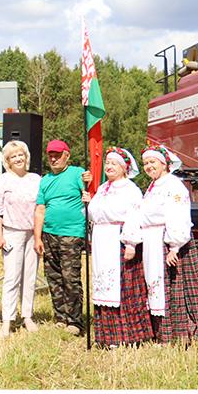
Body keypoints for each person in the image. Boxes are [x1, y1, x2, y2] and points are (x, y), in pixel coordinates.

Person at [124, 145, 198, 345]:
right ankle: (163, 334)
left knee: (173, 289)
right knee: (156, 288)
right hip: (152, 241)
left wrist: (174, 246)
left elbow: (178, 214)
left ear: (164, 163)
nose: (149, 167)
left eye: (152, 162)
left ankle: (183, 334)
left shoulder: (173, 186)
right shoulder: (153, 187)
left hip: (167, 241)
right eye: (146, 163)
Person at [83, 147, 152, 348]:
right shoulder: (104, 187)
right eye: (108, 163)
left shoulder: (130, 189)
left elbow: (134, 215)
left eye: (114, 163)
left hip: (118, 240)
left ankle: (128, 336)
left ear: (124, 168)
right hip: (101, 241)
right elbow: (95, 214)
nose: (109, 167)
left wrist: (131, 243)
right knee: (103, 286)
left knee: (122, 287)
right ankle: (107, 336)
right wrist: (87, 204)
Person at [33, 139, 90, 337]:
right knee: (54, 277)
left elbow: (89, 189)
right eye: (51, 155)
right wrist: (37, 237)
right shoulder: (45, 180)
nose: (54, 158)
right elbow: (40, 209)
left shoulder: (76, 173)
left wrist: (89, 180)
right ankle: (60, 316)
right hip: (49, 234)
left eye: (58, 154)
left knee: (70, 277)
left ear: (67, 155)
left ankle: (75, 321)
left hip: (71, 234)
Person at [0, 140, 42, 337]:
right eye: (13, 156)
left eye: (21, 155)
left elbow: (41, 207)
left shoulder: (36, 179)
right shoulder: (2, 181)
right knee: (12, 277)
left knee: (30, 276)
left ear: (26, 156)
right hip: (11, 232)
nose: (18, 158)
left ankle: (27, 316)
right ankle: (7, 320)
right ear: (7, 161)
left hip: (32, 233)